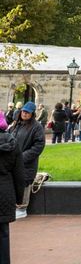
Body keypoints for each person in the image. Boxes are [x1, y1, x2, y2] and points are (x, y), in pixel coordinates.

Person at [0, 112, 26, 264]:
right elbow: (19, 175)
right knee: (3, 233)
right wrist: (19, 198)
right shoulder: (13, 143)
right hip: (5, 192)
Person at [10, 102, 44, 216]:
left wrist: (21, 157)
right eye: (23, 111)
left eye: (27, 112)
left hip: (27, 163)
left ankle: (22, 209)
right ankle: (14, 206)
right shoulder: (17, 124)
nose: (24, 114)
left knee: (24, 182)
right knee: (14, 182)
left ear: (32, 114)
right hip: (14, 162)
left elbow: (38, 146)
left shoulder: (37, 127)